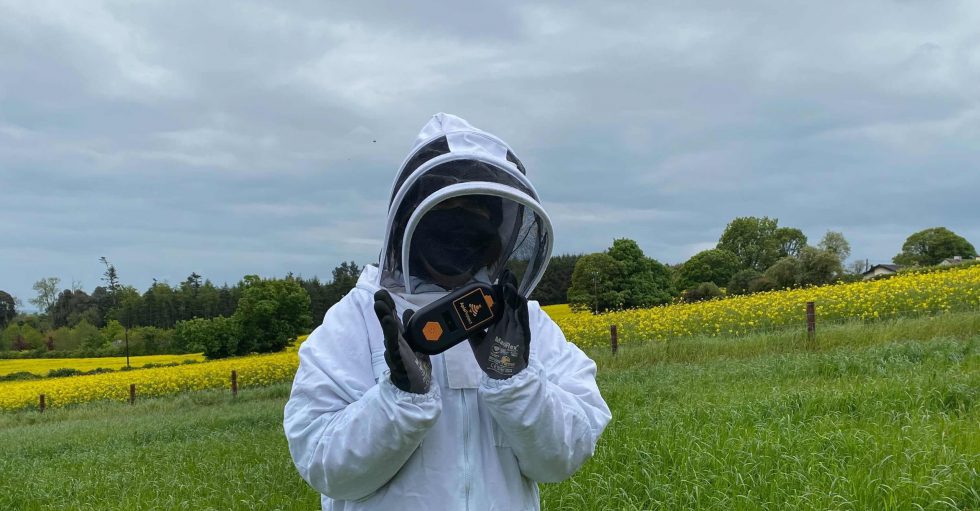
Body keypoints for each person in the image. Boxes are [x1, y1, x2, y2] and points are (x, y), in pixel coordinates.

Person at [284, 113, 611, 510]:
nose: (460, 228)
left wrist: (516, 381)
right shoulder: (355, 321)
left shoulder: (524, 323)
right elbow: (324, 466)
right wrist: (398, 400)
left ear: (496, 229)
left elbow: (563, 458)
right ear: (410, 218)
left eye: (476, 212)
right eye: (448, 207)